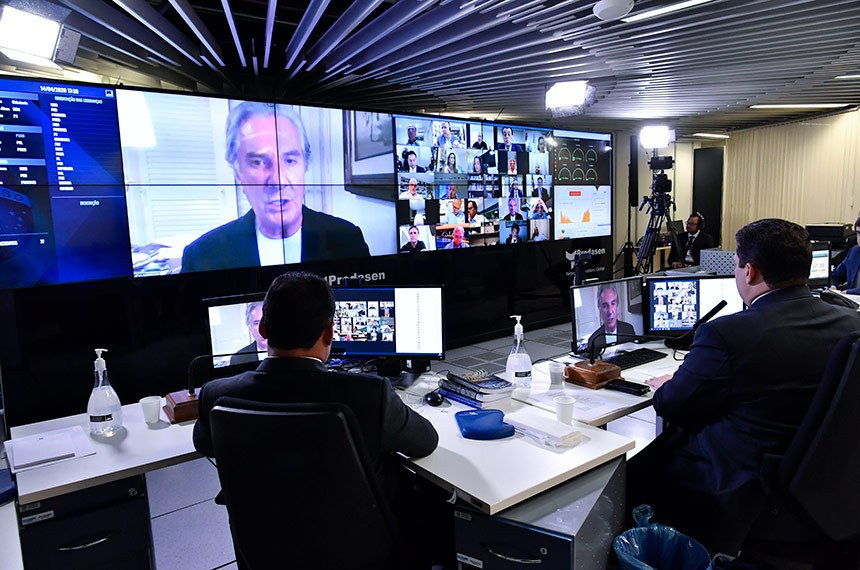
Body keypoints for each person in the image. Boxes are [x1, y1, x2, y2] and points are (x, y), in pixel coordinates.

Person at [627, 219, 860, 553]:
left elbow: (671, 405)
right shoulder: (852, 323)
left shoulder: (727, 334)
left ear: (749, 272)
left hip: (743, 487)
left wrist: (673, 382)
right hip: (825, 486)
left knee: (634, 471)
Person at [193, 271, 441, 565]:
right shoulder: (370, 394)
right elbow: (426, 441)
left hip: (263, 548)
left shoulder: (215, 395)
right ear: (329, 333)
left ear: (262, 329)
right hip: (360, 550)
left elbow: (205, 445)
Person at [181, 103, 369, 272]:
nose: (278, 180)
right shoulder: (201, 257)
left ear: (305, 166)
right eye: (258, 162)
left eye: (290, 160)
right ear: (238, 175)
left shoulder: (348, 240)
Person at [586, 282, 635, 348]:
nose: (610, 311)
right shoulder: (593, 340)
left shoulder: (629, 330)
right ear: (599, 308)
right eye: (605, 306)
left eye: (613, 303)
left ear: (617, 305)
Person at [832, 214, 860, 294]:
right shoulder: (855, 252)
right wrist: (833, 285)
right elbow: (834, 275)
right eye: (858, 233)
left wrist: (847, 292)